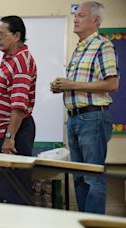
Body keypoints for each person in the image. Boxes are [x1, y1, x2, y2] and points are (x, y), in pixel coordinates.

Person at [50, 1, 119, 214]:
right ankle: (84, 221)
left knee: (93, 177)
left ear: (95, 20)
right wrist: (61, 86)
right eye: (75, 15)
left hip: (92, 118)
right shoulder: (80, 48)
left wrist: (73, 85)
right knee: (78, 177)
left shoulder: (102, 45)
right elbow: (80, 83)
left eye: (80, 15)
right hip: (74, 118)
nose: (75, 19)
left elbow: (112, 84)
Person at [0, 16, 37, 205]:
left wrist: (9, 137)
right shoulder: (10, 57)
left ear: (16, 36)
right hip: (3, 132)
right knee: (3, 188)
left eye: (1, 34)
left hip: (13, 134)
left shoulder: (21, 61)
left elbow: (19, 105)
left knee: (13, 191)